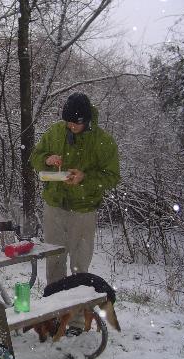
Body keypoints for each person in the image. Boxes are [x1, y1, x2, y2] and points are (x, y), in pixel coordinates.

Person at [30, 92, 120, 295]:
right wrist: (47, 160)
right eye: (68, 122)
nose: (71, 126)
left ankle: (76, 321)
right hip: (54, 206)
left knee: (79, 266)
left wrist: (85, 178)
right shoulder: (55, 132)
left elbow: (112, 176)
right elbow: (35, 157)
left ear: (86, 120)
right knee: (54, 260)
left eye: (76, 123)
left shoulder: (103, 141)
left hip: (83, 210)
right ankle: (53, 312)